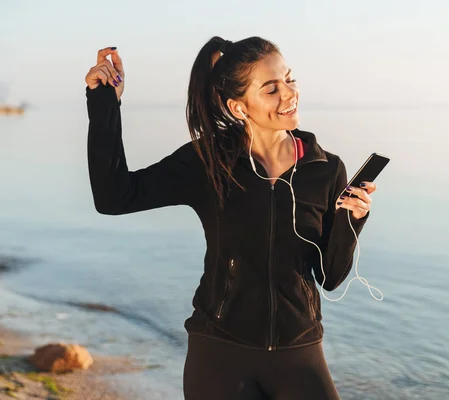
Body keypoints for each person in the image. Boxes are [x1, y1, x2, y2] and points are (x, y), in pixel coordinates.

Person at [84, 36, 377, 400]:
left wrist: (352, 220)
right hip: (220, 351)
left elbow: (330, 277)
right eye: (271, 89)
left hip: (299, 351)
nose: (289, 94)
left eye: (290, 79)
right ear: (239, 108)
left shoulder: (325, 168)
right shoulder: (208, 161)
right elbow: (114, 197)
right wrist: (105, 104)